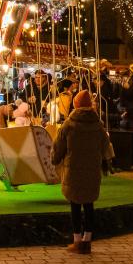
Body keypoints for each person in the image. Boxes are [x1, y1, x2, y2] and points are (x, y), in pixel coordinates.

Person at [50, 89, 112, 254]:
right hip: (92, 169)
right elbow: (106, 146)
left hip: (73, 169)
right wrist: (107, 163)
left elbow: (58, 146)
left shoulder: (69, 124)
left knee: (75, 205)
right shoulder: (97, 124)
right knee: (89, 204)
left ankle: (77, 240)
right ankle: (87, 240)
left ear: (75, 104)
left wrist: (55, 159)